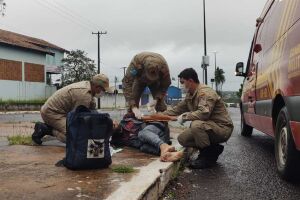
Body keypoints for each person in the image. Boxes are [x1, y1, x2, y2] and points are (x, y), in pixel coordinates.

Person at [161, 68, 234, 168]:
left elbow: (203, 114)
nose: (181, 85)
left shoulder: (205, 93)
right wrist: (159, 115)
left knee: (196, 124)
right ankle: (214, 149)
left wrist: (184, 117)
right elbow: (177, 109)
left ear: (190, 81)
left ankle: (206, 157)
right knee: (183, 139)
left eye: (183, 82)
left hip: (222, 128)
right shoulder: (190, 95)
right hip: (208, 127)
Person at [31, 74, 111, 145]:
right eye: (103, 90)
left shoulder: (89, 88)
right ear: (97, 86)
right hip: (51, 113)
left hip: (60, 111)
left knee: (82, 132)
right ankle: (45, 129)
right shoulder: (83, 95)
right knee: (76, 137)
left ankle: (54, 128)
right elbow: (78, 119)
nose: (103, 92)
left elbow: (93, 111)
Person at [122, 52, 171, 118]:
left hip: (155, 82)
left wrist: (157, 99)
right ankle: (131, 124)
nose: (149, 79)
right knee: (133, 102)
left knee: (161, 105)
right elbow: (126, 82)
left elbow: (165, 84)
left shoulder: (163, 67)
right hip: (139, 80)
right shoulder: (136, 63)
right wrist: (133, 107)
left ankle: (163, 125)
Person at [110, 113, 176, 161]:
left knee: (142, 133)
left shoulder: (127, 118)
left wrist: (169, 118)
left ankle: (163, 146)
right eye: (110, 126)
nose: (112, 125)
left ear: (114, 120)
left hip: (158, 129)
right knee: (143, 148)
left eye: (112, 123)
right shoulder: (117, 140)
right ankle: (170, 153)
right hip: (161, 140)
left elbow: (146, 116)